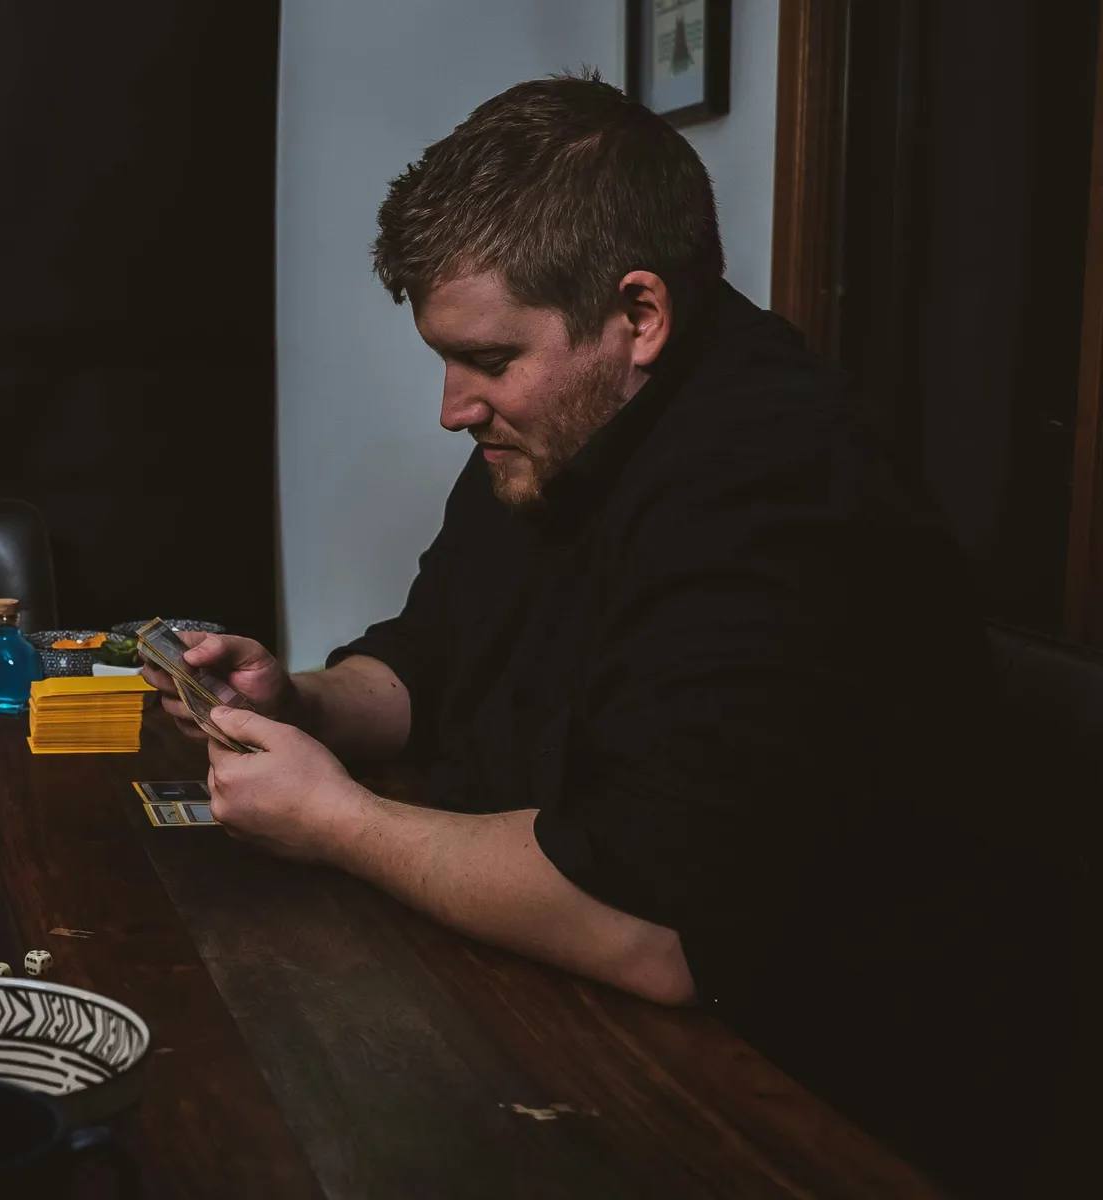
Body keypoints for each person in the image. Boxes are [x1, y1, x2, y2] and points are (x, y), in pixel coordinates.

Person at [148, 75, 1062, 1190]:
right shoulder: (554, 430)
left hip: (817, 1103)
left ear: (638, 316)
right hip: (581, 1015)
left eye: (489, 361)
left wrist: (338, 821)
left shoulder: (780, 491)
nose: (453, 406)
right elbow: (429, 654)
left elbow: (644, 922)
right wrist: (304, 702)